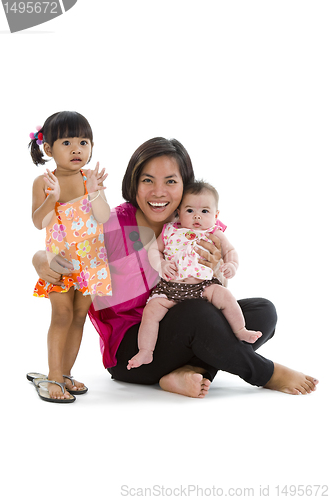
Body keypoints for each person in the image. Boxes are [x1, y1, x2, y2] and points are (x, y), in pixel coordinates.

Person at [32, 137, 319, 397]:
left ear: (185, 185)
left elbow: (214, 290)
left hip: (186, 325)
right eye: (147, 180)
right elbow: (67, 241)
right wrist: (40, 259)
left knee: (261, 311)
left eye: (170, 181)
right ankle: (266, 373)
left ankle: (190, 373)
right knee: (198, 314)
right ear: (133, 183)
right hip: (133, 352)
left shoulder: (197, 224)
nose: (159, 192)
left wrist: (219, 270)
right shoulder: (112, 223)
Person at [127, 180, 262, 370]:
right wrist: (161, 264)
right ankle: (146, 351)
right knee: (151, 312)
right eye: (190, 211)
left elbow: (230, 251)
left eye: (205, 211)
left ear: (216, 215)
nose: (197, 216)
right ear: (179, 212)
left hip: (203, 287)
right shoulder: (170, 230)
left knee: (225, 296)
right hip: (170, 288)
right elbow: (154, 251)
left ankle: (240, 330)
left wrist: (231, 264)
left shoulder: (214, 232)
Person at [30, 111, 111, 403]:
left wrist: (97, 193)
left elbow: (102, 217)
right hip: (61, 261)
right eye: (67, 142)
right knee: (61, 314)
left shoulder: (90, 179)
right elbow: (40, 221)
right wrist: (52, 198)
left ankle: (65, 373)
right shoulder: (45, 181)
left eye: (84, 141)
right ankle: (52, 376)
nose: (77, 148)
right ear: (49, 149)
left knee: (79, 317)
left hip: (91, 262)